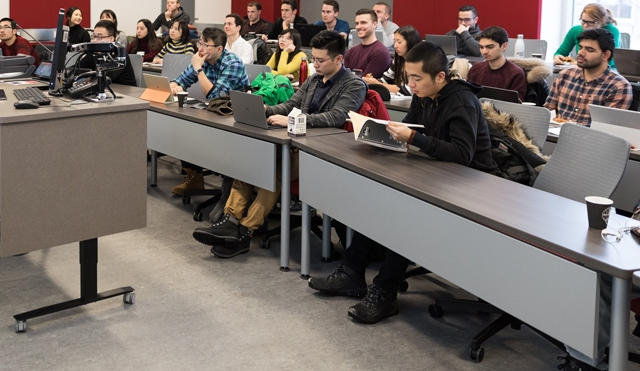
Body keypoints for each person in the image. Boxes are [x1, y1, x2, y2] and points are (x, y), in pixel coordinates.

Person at [309, 41, 496, 323]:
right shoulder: (424, 95)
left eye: (417, 78)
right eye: (409, 77)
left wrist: (413, 139)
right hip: (436, 173)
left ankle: (385, 292)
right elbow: (410, 125)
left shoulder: (462, 102)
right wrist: (380, 134)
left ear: (440, 77)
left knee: (402, 213)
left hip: (473, 185)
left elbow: (462, 154)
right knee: (378, 199)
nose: (411, 84)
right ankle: (351, 273)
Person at [193, 30, 366, 258]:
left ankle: (245, 232)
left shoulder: (354, 85)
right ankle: (231, 220)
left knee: (274, 170)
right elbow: (291, 103)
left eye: (320, 61)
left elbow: (335, 117)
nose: (315, 64)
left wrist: (293, 119)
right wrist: (266, 109)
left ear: (338, 59)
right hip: (296, 143)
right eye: (313, 59)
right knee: (253, 161)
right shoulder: (314, 79)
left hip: (322, 152)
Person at [169, 28, 249, 196]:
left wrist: (198, 69)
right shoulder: (202, 58)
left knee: (193, 128)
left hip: (234, 119)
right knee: (182, 124)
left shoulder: (232, 62)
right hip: (212, 114)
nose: (201, 49)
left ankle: (232, 189)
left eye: (206, 45)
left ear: (219, 48)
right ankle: (194, 177)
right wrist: (174, 86)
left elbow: (215, 96)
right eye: (200, 43)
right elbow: (180, 81)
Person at [545, 28, 632, 126]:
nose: (580, 53)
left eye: (589, 50)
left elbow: (607, 129)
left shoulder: (619, 86)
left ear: (605, 55)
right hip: (555, 136)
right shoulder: (564, 75)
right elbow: (548, 111)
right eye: (581, 47)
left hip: (590, 139)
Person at [466, 26, 528, 102]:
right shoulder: (475, 69)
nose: (484, 51)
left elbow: (516, 106)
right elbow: (468, 97)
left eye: (490, 47)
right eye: (481, 47)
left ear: (504, 46)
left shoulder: (516, 73)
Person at [553, 3, 620, 68]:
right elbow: (560, 53)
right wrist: (558, 57)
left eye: (591, 23)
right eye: (583, 21)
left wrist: (579, 63)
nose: (585, 26)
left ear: (602, 21)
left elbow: (611, 60)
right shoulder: (575, 30)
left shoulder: (612, 31)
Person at [364, 25, 421, 95]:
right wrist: (371, 82)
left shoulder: (419, 64)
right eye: (394, 42)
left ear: (410, 43)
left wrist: (378, 84)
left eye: (399, 42)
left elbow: (409, 90)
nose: (395, 46)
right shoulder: (397, 61)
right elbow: (385, 80)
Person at [344, 8, 391, 79]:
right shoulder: (351, 52)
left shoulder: (380, 52)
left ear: (375, 24)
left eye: (363, 23)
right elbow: (344, 78)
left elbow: (363, 83)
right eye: (357, 23)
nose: (359, 27)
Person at [89, 19, 136, 87]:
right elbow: (77, 69)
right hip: (108, 89)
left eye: (99, 37)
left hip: (126, 91)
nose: (95, 40)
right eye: (94, 36)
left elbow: (105, 77)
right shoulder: (95, 52)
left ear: (111, 39)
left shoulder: (120, 53)